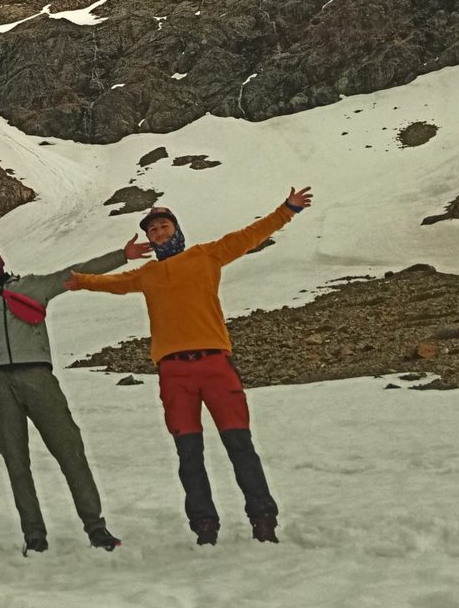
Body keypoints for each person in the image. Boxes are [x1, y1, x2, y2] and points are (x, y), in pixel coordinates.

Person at [64, 188, 312, 546]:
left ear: (176, 229)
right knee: (189, 453)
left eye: (163, 226)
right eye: (153, 230)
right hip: (174, 373)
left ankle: (263, 520)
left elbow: (249, 236)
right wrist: (82, 281)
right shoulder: (147, 274)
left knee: (240, 444)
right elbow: (115, 283)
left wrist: (287, 210)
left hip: (215, 365)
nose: (158, 232)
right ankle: (204, 525)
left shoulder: (206, 255)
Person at [0, 215, 130, 554]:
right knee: (16, 461)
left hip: (38, 376)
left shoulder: (34, 286)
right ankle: (34, 535)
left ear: (1, 258)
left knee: (70, 450)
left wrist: (123, 255)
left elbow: (77, 273)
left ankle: (96, 527)